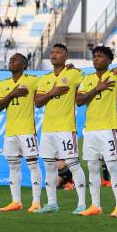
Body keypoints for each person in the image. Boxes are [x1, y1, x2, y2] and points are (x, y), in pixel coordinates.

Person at [34, 44, 87, 214]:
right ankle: (51, 204)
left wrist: (77, 69)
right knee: (50, 166)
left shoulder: (74, 73)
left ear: (66, 56)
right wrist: (53, 92)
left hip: (65, 128)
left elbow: (91, 80)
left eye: (57, 52)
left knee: (72, 163)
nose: (53, 54)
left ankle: (82, 204)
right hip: (48, 129)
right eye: (52, 52)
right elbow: (38, 101)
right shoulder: (45, 78)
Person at [75, 46, 117, 217]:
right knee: (92, 166)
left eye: (100, 56)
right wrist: (97, 88)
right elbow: (79, 100)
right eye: (94, 56)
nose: (96, 59)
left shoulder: (116, 75)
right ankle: (95, 205)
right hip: (90, 130)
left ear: (110, 60)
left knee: (111, 165)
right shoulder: (88, 79)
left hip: (107, 128)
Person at [0, 53, 42, 213]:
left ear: (24, 64)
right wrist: (12, 94)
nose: (11, 61)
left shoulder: (33, 80)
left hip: (27, 131)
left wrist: (68, 68)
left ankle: (36, 201)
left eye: (15, 59)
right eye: (10, 59)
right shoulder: (4, 84)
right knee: (13, 167)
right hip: (10, 133)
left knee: (33, 166)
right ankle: (16, 201)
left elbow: (51, 82)